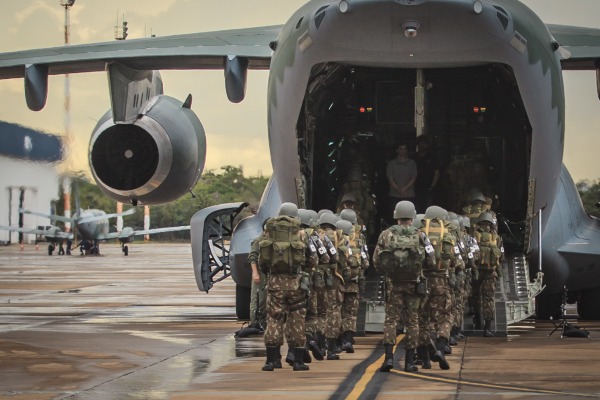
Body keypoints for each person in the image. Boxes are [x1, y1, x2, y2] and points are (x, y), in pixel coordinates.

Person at [373, 200, 434, 372]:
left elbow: (376, 261)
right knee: (412, 322)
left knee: (391, 321)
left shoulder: (386, 234)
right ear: (412, 216)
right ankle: (409, 362)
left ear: (396, 216)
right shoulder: (421, 236)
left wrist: (387, 272)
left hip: (393, 284)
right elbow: (431, 260)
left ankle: (388, 359)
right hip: (414, 285)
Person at [259, 202, 317, 371]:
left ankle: (271, 361)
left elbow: (262, 260)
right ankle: (298, 361)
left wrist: (270, 274)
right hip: (296, 284)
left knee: (274, 320)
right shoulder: (302, 234)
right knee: (296, 320)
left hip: (275, 284)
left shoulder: (268, 232)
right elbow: (313, 259)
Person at [473, 212, 503, 337]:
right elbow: (502, 255)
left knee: (476, 296)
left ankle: (478, 322)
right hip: (491, 272)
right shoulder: (497, 238)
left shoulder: (474, 236)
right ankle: (487, 328)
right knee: (489, 299)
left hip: (477, 271)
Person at [386, 143, 417, 224]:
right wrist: (398, 189)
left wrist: (405, 188)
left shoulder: (412, 163)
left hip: (409, 194)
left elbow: (413, 178)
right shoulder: (391, 163)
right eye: (401, 149)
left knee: (409, 215)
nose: (402, 151)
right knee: (394, 216)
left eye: (404, 149)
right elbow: (390, 178)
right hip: (394, 194)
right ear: (397, 150)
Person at [414, 135, 440, 212]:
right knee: (416, 208)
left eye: (424, 144)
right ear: (417, 145)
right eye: (420, 143)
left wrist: (432, 186)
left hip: (428, 188)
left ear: (427, 145)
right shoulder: (413, 157)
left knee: (428, 209)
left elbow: (437, 173)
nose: (422, 146)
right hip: (415, 187)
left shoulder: (432, 157)